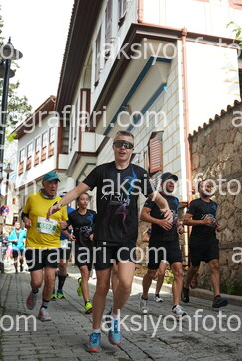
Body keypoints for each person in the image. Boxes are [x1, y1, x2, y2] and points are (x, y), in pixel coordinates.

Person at [47, 130, 171, 353]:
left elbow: (155, 196)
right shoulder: (101, 171)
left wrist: (165, 207)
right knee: (103, 286)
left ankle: (114, 316)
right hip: (103, 237)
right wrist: (59, 204)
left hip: (126, 238)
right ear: (113, 147)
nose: (123, 147)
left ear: (132, 150)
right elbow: (77, 190)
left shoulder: (139, 173)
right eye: (119, 143)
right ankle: (95, 331)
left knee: (125, 283)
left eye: (128, 145)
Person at [22, 172, 68, 321]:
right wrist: (26, 220)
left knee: (50, 278)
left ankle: (44, 308)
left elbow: (66, 223)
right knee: (37, 281)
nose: (53, 186)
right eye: (50, 183)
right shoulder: (33, 198)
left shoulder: (61, 202)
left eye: (56, 183)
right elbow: (24, 214)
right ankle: (34, 291)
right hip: (34, 245)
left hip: (53, 245)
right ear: (43, 184)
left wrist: (65, 225)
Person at [139, 172, 186, 317]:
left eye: (173, 181)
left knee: (178, 271)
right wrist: (159, 222)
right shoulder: (154, 197)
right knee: (152, 273)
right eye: (169, 181)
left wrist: (179, 226)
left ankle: (176, 306)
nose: (172, 183)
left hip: (172, 240)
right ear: (162, 183)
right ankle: (144, 297)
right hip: (157, 241)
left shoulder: (175, 200)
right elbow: (143, 215)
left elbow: (175, 218)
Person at [181, 180, 228, 309]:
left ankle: (217, 298)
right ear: (199, 189)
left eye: (208, 186)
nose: (206, 188)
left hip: (211, 240)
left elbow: (211, 218)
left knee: (215, 265)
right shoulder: (195, 203)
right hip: (197, 240)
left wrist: (216, 225)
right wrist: (202, 222)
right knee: (194, 267)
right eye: (203, 186)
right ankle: (185, 287)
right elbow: (186, 220)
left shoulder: (214, 205)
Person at [67, 192, 96, 314]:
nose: (85, 201)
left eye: (86, 199)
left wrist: (95, 234)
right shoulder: (72, 215)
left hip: (91, 248)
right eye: (82, 199)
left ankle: (81, 282)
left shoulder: (93, 214)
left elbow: (99, 226)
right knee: (84, 272)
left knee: (86, 276)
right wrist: (69, 235)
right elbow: (64, 227)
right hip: (79, 247)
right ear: (77, 202)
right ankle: (87, 303)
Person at [51, 198, 75, 300]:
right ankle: (51, 290)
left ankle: (60, 290)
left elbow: (76, 223)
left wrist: (72, 227)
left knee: (63, 265)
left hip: (65, 241)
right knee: (52, 265)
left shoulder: (72, 211)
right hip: (52, 240)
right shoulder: (52, 209)